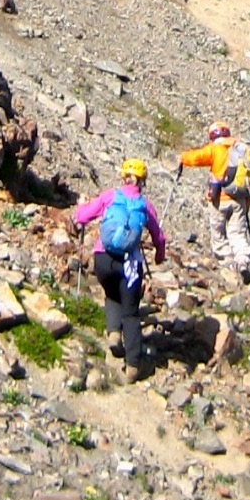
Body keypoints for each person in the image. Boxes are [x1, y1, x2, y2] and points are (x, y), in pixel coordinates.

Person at [73, 157, 166, 380]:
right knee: (131, 313)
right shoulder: (145, 205)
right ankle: (133, 366)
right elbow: (159, 238)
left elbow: (82, 217)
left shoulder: (110, 196)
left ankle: (114, 334)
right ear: (142, 181)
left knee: (111, 294)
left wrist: (81, 205)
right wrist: (159, 256)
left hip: (103, 258)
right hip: (130, 265)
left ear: (123, 177)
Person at [176, 123, 250, 285]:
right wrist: (246, 206)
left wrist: (182, 158)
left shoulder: (215, 149)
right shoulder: (241, 149)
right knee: (238, 234)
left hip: (218, 199)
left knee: (219, 233)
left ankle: (228, 265)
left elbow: (197, 157)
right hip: (239, 200)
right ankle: (243, 262)